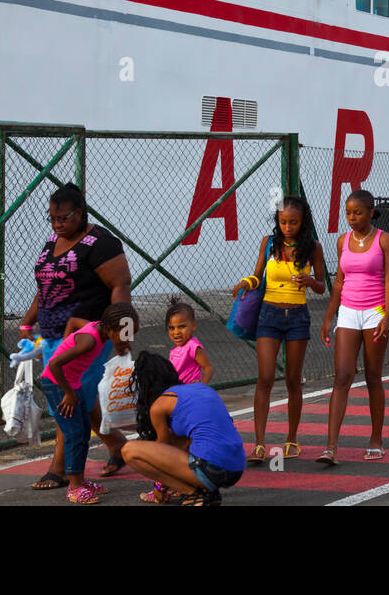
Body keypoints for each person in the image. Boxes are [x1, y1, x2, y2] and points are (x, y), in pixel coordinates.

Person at [20, 183, 130, 488]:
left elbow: (120, 287)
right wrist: (28, 322)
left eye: (63, 219)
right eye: (52, 219)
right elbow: (46, 285)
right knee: (81, 397)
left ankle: (60, 468)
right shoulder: (54, 240)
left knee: (68, 399)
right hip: (54, 334)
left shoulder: (101, 243)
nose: (57, 225)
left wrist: (123, 332)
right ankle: (118, 446)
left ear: (80, 214)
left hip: (89, 336)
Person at [234, 195, 326, 464]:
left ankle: (292, 439)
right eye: (283, 221)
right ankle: (260, 444)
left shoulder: (314, 248)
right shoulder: (269, 243)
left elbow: (322, 286)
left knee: (293, 381)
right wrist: (245, 283)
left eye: (293, 222)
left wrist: (309, 280)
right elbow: (257, 275)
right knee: (264, 378)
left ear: (303, 222)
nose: (287, 227)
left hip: (297, 317)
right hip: (268, 314)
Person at [319, 190, 389, 463]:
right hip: (349, 312)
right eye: (348, 213)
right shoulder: (343, 240)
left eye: (358, 213)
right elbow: (339, 281)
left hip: (375, 312)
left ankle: (376, 439)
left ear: (371, 212)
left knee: (373, 376)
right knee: (342, 376)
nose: (351, 218)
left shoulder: (384, 240)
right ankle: (330, 447)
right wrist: (329, 316)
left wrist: (387, 316)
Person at [41, 302, 139, 503]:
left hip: (71, 382)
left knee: (84, 431)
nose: (128, 339)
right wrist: (67, 393)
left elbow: (73, 321)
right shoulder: (89, 342)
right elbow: (54, 364)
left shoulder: (98, 327)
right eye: (125, 335)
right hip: (57, 383)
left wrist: (66, 341)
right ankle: (74, 488)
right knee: (74, 433)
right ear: (111, 329)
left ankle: (81, 481)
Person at [122, 352, 245, 506]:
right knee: (186, 442)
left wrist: (159, 486)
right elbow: (185, 442)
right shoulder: (201, 388)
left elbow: (161, 451)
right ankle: (207, 491)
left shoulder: (159, 406)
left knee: (129, 450)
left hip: (211, 468)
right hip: (236, 466)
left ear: (146, 386)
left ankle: (192, 493)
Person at [165, 299, 214, 386]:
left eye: (181, 326)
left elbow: (208, 367)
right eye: (172, 328)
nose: (176, 332)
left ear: (193, 325)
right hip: (178, 390)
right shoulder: (175, 349)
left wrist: (202, 385)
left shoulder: (192, 346)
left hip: (190, 391)